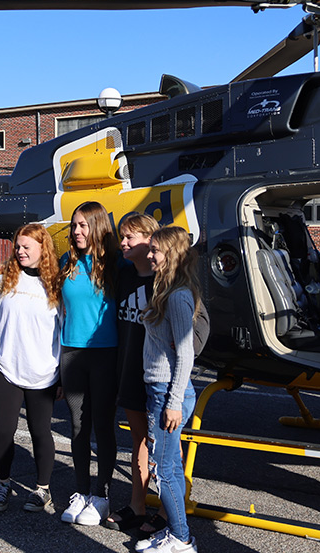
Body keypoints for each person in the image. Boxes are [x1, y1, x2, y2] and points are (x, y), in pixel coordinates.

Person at [107, 215, 210, 538]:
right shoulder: (129, 277)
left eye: (130, 237)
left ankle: (172, 521)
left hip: (162, 383)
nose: (124, 243)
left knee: (165, 458)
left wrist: (176, 371)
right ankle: (141, 507)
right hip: (136, 374)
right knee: (144, 446)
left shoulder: (171, 287)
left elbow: (194, 335)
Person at [0, 224, 62, 513]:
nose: (20, 251)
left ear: (43, 248)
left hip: (43, 371)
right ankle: (3, 483)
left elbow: (65, 333)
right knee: (2, 431)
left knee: (40, 431)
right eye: (18, 246)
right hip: (5, 365)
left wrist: (63, 373)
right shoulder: (3, 278)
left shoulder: (57, 283)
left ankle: (42, 490)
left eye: (27, 246)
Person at [135, 226, 200, 553]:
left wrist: (173, 403)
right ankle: (176, 533)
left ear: (171, 254)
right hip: (159, 389)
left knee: (165, 470)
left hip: (167, 393)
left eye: (156, 251)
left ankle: (182, 539)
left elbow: (186, 353)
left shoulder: (177, 297)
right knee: (168, 466)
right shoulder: (166, 290)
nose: (150, 255)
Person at [58, 201, 120, 526]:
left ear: (96, 227)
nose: (77, 231)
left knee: (103, 425)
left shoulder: (115, 265)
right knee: (78, 427)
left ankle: (102, 496)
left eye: (83, 225)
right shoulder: (65, 263)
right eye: (74, 225)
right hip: (71, 355)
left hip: (105, 355)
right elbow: (53, 312)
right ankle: (81, 492)